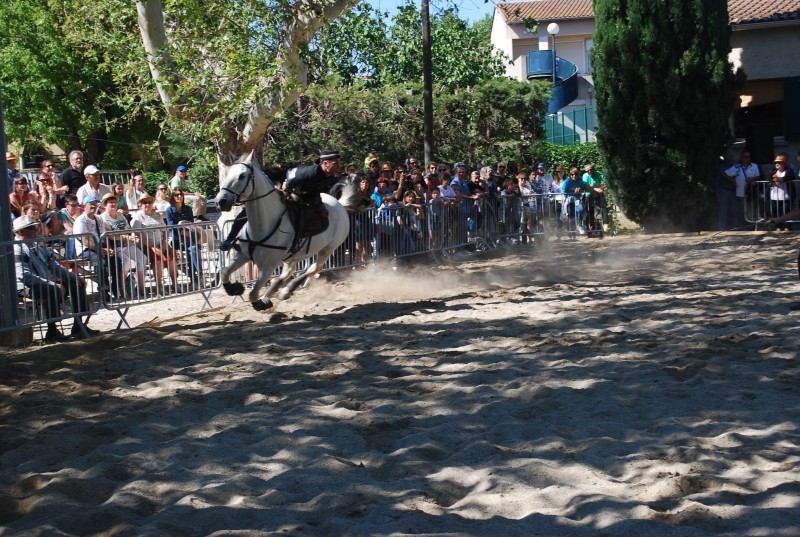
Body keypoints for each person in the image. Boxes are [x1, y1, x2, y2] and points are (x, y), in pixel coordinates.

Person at [13, 215, 99, 341]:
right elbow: (24, 276)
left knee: (76, 284)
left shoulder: (36, 246)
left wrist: (72, 276)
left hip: (41, 280)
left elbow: (53, 265)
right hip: (24, 286)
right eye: (31, 228)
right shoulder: (16, 248)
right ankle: (52, 330)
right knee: (50, 290)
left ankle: (79, 324)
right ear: (21, 232)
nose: (36, 230)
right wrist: (51, 284)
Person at [72, 194, 125, 300]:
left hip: (99, 248)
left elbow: (103, 236)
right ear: (84, 206)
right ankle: (104, 291)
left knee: (116, 261)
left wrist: (109, 249)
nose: (94, 206)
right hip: (84, 250)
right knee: (100, 262)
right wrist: (102, 250)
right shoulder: (81, 221)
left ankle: (116, 288)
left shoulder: (98, 219)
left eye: (95, 204)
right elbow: (85, 241)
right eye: (91, 204)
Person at [282, 149, 343, 234]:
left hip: (302, 192)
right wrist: (287, 190)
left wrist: (320, 206)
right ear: (325, 164)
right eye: (336, 163)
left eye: (339, 163)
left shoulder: (330, 178)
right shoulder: (312, 172)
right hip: (283, 180)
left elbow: (315, 193)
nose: (339, 166)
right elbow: (286, 184)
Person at [99, 193, 147, 297]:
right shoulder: (102, 218)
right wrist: (126, 237)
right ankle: (122, 289)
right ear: (105, 204)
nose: (113, 204)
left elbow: (128, 228)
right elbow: (110, 235)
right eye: (110, 202)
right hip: (115, 246)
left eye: (114, 202)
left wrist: (133, 235)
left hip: (128, 244)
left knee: (142, 258)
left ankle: (141, 287)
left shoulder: (120, 215)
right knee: (126, 262)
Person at [130, 194, 178, 295]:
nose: (147, 204)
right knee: (158, 258)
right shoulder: (138, 216)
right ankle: (159, 286)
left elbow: (164, 230)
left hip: (160, 242)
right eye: (144, 202)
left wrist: (164, 241)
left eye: (149, 202)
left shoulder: (157, 215)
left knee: (172, 256)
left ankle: (175, 284)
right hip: (145, 245)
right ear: (140, 205)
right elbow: (137, 234)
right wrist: (151, 245)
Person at [165, 187, 203, 286]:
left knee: (193, 249)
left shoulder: (188, 209)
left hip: (188, 236)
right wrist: (182, 232)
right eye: (176, 195)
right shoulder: (169, 210)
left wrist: (189, 232)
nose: (179, 197)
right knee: (191, 248)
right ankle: (195, 279)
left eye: (181, 194)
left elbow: (192, 224)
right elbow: (171, 226)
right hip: (176, 239)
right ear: (173, 197)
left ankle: (198, 275)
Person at [724, 150, 761, 227]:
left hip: (751, 191)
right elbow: (725, 174)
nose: (747, 158)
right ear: (741, 158)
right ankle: (743, 226)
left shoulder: (754, 166)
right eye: (745, 157)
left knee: (752, 208)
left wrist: (752, 179)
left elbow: (758, 176)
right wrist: (733, 181)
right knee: (743, 209)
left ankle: (752, 225)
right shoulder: (736, 166)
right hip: (740, 192)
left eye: (748, 157)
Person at [767, 155, 797, 230]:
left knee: (785, 212)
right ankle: (778, 226)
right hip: (774, 196)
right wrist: (774, 179)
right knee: (776, 212)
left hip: (786, 196)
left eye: (779, 162)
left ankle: (787, 226)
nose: (777, 164)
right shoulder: (773, 170)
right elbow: (769, 177)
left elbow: (790, 176)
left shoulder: (789, 170)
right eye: (776, 162)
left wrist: (780, 179)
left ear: (784, 163)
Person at [581, 163, 608, 231]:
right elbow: (585, 187)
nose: (590, 171)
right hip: (589, 196)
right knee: (589, 211)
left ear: (594, 169)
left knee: (604, 208)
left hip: (599, 195)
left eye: (591, 169)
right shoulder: (585, 176)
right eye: (588, 170)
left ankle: (605, 224)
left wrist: (599, 189)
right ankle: (589, 227)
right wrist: (594, 190)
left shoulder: (599, 174)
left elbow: (606, 183)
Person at [563, 167, 589, 235]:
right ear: (570, 175)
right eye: (572, 174)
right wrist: (573, 190)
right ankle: (571, 233)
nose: (574, 176)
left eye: (575, 174)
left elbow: (584, 188)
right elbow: (564, 191)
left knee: (580, 209)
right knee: (570, 217)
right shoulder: (567, 181)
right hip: (568, 200)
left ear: (578, 174)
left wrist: (580, 188)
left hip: (577, 198)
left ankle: (579, 226)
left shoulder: (580, 179)